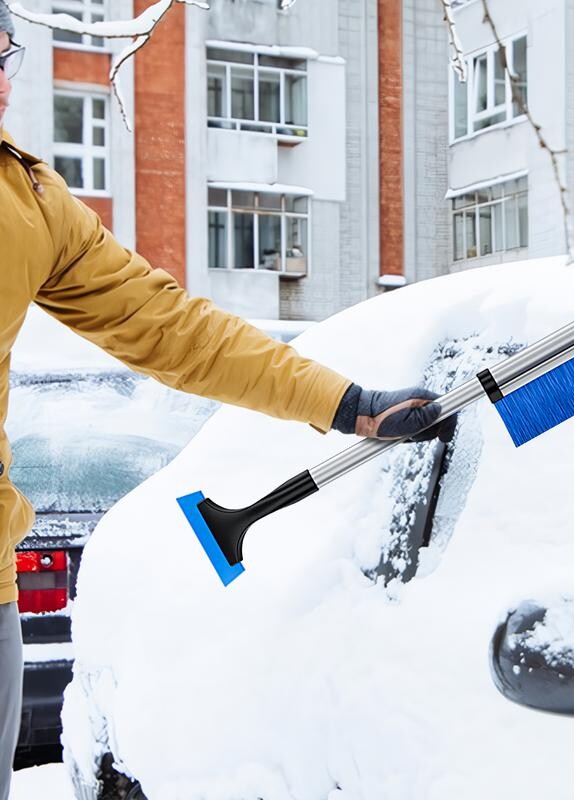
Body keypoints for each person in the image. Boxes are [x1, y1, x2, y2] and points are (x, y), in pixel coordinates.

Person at [0, 7, 454, 797]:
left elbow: (171, 329)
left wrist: (350, 405)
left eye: (2, 52)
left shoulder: (28, 200)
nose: (2, 80)